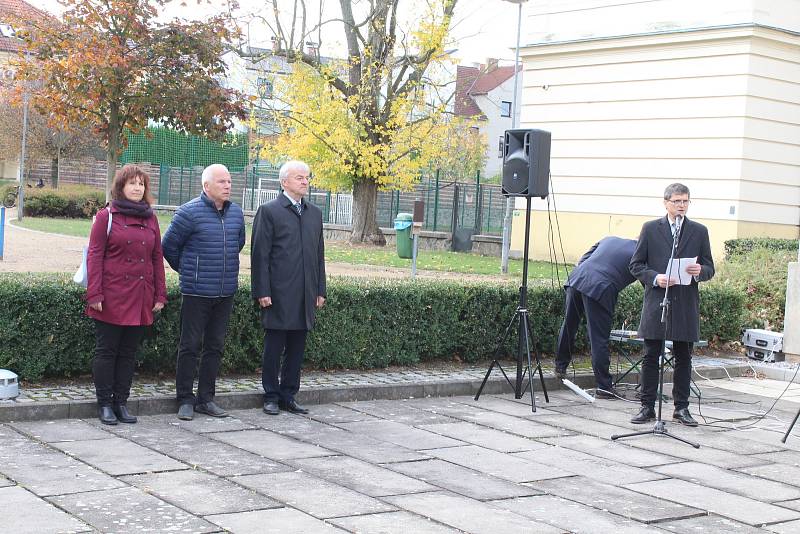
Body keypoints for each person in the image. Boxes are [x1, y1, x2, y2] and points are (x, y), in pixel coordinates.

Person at [161, 164, 246, 421]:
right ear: (206, 186)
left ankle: (206, 398)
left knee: (215, 346)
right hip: (196, 292)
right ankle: (185, 398)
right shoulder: (187, 213)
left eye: (229, 181)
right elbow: (169, 247)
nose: (228, 186)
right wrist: (190, 272)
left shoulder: (236, 214)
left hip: (225, 291)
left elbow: (237, 243)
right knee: (189, 346)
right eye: (221, 182)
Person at [86, 165, 167, 425]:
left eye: (141, 184)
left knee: (128, 353)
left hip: (140, 295)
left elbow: (156, 257)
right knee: (107, 351)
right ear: (120, 187)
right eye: (132, 183)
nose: (137, 188)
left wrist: (160, 294)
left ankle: (121, 402)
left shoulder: (151, 217)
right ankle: (105, 404)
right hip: (111, 295)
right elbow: (94, 255)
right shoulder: (105, 216)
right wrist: (95, 293)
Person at [629, 183, 714, 427]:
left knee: (684, 356)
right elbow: (636, 265)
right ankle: (647, 407)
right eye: (677, 201)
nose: (681, 206)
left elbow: (709, 266)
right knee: (650, 355)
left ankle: (681, 408)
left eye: (685, 202)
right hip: (658, 300)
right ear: (666, 202)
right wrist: (656, 278)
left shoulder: (699, 231)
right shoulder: (650, 229)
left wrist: (700, 271)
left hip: (685, 301)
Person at [251, 160, 326, 416]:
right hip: (278, 292)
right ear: (284, 182)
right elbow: (259, 255)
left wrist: (320, 289)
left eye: (307, 177)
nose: (305, 181)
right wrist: (262, 290)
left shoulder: (314, 213)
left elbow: (319, 255)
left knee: (297, 347)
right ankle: (271, 395)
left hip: (305, 293)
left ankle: (289, 395)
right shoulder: (269, 211)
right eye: (299, 177)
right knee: (274, 347)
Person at [554, 236, 637, 398]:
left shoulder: (609, 239)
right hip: (601, 287)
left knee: (569, 324)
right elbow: (647, 281)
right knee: (599, 337)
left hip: (577, 278)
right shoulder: (642, 253)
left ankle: (560, 366)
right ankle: (604, 387)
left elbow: (582, 259)